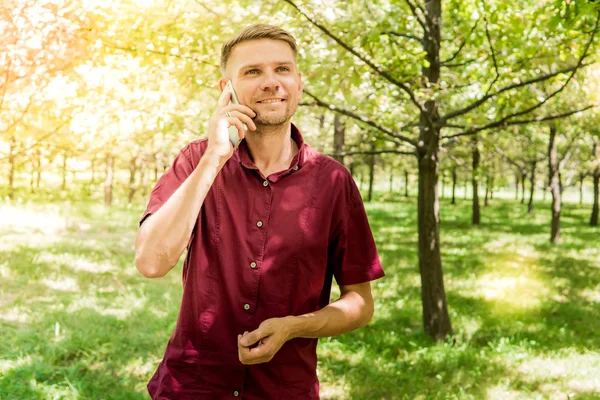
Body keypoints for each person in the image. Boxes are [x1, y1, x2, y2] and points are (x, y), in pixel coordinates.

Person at [134, 23, 385, 400]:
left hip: (285, 391)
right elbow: (151, 263)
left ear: (298, 83)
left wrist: (294, 327)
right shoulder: (196, 160)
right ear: (227, 90)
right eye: (252, 72)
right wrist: (215, 157)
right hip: (193, 387)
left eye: (281, 69)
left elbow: (360, 304)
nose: (270, 82)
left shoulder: (333, 182)